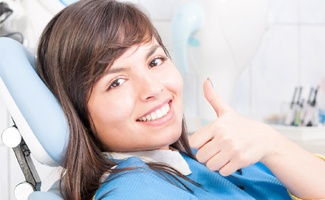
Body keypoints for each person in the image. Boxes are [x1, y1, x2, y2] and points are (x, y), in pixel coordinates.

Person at [33, 0, 325, 199]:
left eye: (155, 61)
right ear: (77, 112)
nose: (154, 88)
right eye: (116, 82)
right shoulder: (135, 191)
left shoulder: (193, 158)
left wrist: (270, 143)